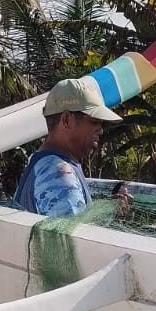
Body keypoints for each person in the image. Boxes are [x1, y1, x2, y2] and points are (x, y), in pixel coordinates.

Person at [12, 76, 121, 217]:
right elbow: (76, 236)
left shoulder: (42, 163)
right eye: (95, 122)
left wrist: (110, 211)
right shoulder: (57, 172)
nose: (100, 130)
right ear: (67, 120)